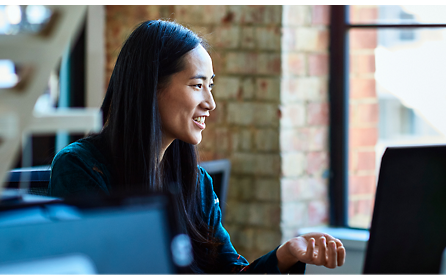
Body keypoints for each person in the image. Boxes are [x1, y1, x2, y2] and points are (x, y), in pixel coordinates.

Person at [48, 20, 345, 275]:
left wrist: (286, 254)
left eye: (210, 86)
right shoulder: (80, 168)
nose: (210, 103)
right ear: (151, 87)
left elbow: (230, 272)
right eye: (196, 85)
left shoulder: (197, 182)